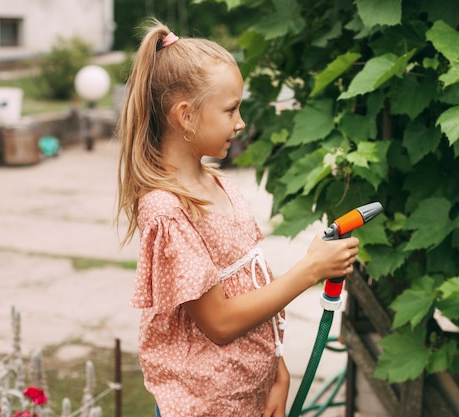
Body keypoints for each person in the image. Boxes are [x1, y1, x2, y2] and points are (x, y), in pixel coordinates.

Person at [116, 20, 360, 417]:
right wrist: (310, 269)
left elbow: (247, 289)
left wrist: (277, 373)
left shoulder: (217, 183)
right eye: (230, 109)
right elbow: (221, 321)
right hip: (204, 407)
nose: (241, 121)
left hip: (247, 397)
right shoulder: (168, 211)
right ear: (186, 116)